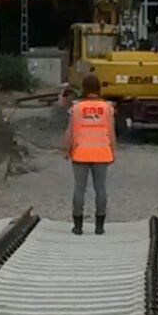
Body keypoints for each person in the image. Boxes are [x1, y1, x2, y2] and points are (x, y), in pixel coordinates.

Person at [62, 73, 115, 235]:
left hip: (80, 153)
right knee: (101, 189)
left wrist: (66, 149)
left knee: (79, 188)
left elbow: (70, 132)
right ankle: (99, 226)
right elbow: (111, 133)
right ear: (98, 89)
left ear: (84, 88)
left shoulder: (76, 108)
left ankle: (78, 226)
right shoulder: (107, 108)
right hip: (101, 153)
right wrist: (113, 151)